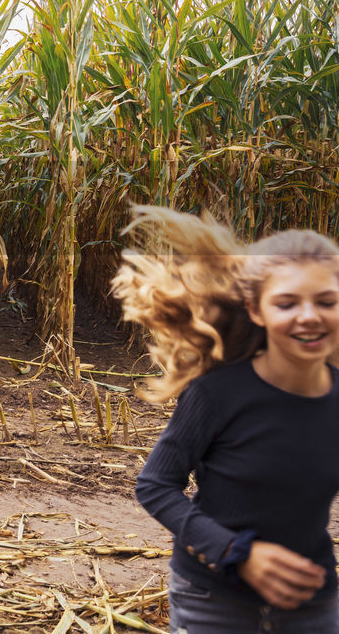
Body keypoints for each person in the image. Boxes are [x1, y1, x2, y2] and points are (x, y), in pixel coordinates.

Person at [116, 206, 339, 633]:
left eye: (326, 301)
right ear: (257, 310)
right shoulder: (217, 395)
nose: (309, 315)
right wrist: (237, 552)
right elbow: (155, 485)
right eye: (287, 302)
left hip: (311, 598)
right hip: (212, 596)